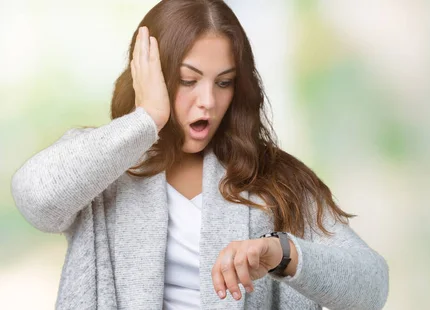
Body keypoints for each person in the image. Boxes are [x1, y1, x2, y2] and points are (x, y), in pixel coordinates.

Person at [10, 0, 389, 309]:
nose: (207, 101)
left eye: (223, 83)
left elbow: (371, 287)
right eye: (189, 81)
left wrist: (281, 253)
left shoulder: (275, 177)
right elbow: (35, 201)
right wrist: (146, 121)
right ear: (151, 76)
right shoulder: (103, 161)